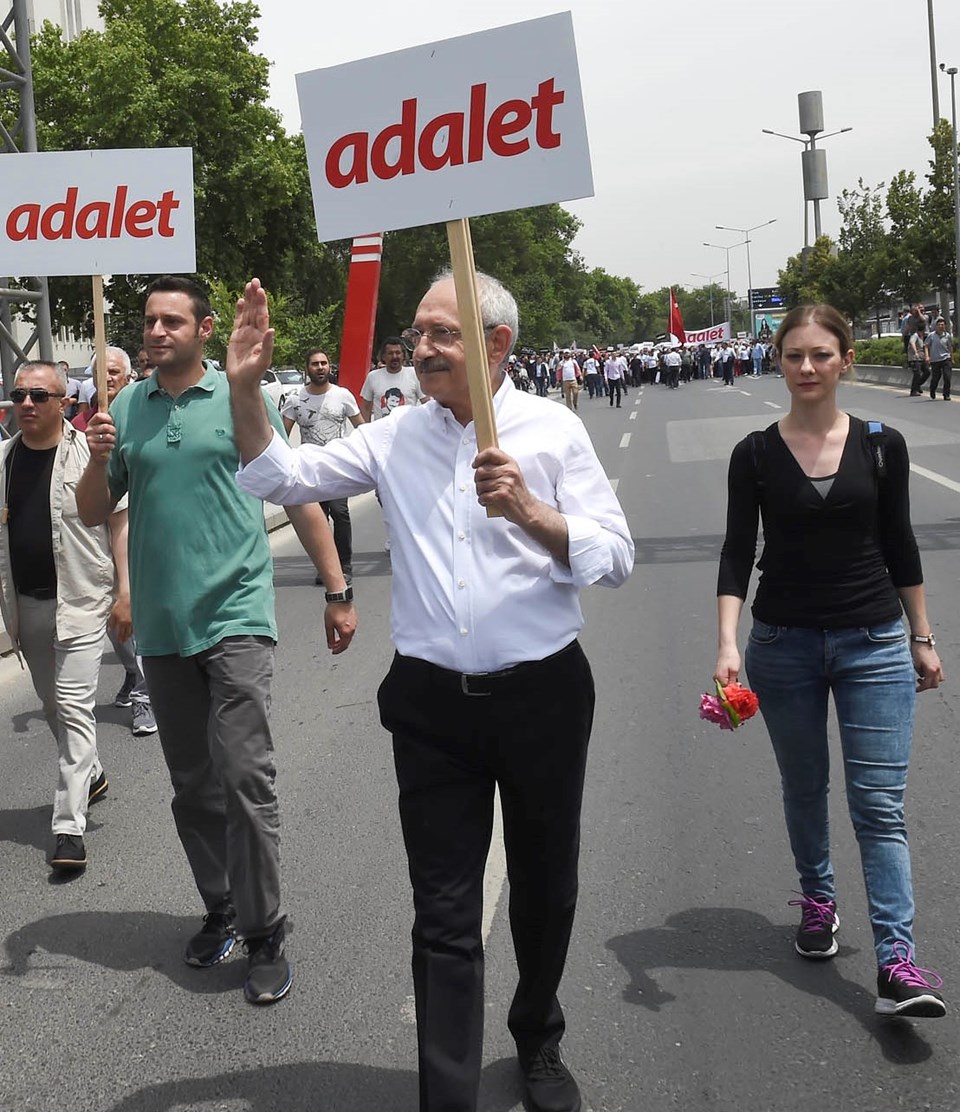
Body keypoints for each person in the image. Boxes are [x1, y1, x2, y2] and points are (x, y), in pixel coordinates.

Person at [229, 271, 634, 1112]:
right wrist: (241, 385)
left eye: (442, 334)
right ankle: (446, 1091)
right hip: (432, 708)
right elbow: (279, 476)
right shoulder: (394, 435)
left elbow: (616, 554)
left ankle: (538, 1036)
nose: (421, 350)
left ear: (496, 346)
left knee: (544, 887)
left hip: (543, 699)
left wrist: (528, 509)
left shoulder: (552, 429)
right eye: (417, 334)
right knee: (443, 908)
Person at [77, 275, 357, 1006]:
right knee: (193, 787)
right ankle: (221, 908)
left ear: (205, 330)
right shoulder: (126, 407)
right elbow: (91, 510)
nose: (156, 330)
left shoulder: (246, 397)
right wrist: (95, 453)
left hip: (235, 616)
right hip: (163, 631)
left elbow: (294, 493)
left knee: (244, 777)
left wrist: (336, 589)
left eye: (173, 320)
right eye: (149, 320)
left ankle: (265, 931)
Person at [714, 303, 946, 1019]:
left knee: (878, 806)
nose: (807, 368)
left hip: (873, 644)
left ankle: (897, 962)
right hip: (782, 645)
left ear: (846, 360)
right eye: (793, 356)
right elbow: (734, 553)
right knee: (804, 787)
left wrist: (922, 635)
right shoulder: (754, 453)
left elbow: (901, 544)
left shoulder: (883, 444)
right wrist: (727, 642)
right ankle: (818, 901)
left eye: (820, 355)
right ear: (776, 363)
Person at [0, 360, 130, 872]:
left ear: (63, 403)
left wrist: (126, 592)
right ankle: (92, 772)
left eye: (39, 395)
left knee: (75, 708)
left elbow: (119, 526)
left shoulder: (91, 456)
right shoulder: (3, 461)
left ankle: (68, 826)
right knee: (53, 705)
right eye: (18, 395)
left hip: (81, 601)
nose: (26, 404)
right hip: (24, 605)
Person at [73, 346, 158, 737]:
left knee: (127, 618)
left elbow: (120, 517)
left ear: (127, 376)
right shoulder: (81, 424)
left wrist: (124, 585)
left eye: (114, 372)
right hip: (88, 547)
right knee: (114, 625)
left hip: (134, 539)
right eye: (99, 372)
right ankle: (132, 674)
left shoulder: (139, 416)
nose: (106, 378)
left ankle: (146, 695)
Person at [282, 348, 364, 586]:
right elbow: (283, 433)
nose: (320, 367)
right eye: (315, 364)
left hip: (338, 468)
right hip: (310, 469)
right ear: (307, 368)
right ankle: (326, 568)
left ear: (330, 367)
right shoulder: (295, 400)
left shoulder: (343, 395)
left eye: (324, 363)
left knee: (340, 513)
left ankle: (344, 566)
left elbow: (361, 427)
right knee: (318, 518)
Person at [359, 336, 424, 422]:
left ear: (403, 355)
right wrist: (365, 431)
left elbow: (426, 402)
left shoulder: (414, 374)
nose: (394, 356)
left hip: (408, 432)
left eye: (398, 353)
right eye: (390, 353)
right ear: (383, 356)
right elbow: (366, 408)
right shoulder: (373, 377)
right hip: (381, 432)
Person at [924, 318, 953, 401]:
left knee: (947, 377)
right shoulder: (931, 335)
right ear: (936, 326)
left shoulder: (947, 336)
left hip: (946, 358)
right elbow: (926, 345)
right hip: (935, 360)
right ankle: (932, 389)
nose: (941, 326)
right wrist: (927, 356)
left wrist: (952, 358)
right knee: (936, 377)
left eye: (942, 325)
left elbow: (950, 347)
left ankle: (946, 394)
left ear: (945, 326)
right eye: (939, 325)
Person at [907, 320, 929, 396]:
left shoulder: (922, 336)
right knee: (917, 374)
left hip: (921, 358)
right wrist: (916, 352)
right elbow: (912, 343)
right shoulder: (915, 335)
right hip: (914, 358)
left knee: (927, 372)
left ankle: (918, 385)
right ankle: (913, 391)